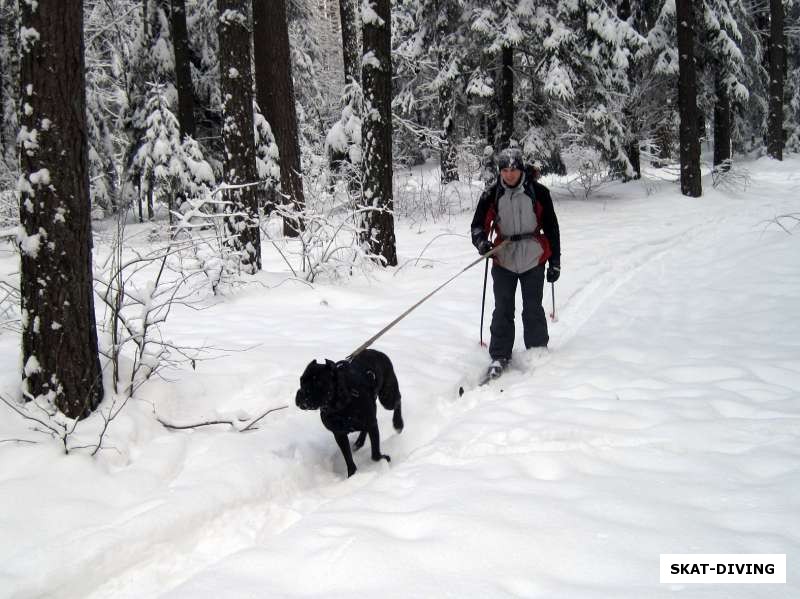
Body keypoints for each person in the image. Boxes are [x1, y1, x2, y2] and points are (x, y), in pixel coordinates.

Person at [470, 147, 561, 379]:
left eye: (513, 170)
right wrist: (482, 243)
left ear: (521, 170)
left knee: (532, 307)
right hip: (504, 258)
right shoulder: (491, 194)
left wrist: (555, 262)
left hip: (533, 256)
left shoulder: (539, 192)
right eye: (505, 170)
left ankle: (537, 350)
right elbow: (477, 226)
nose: (509, 175)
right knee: (503, 308)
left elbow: (552, 228)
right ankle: (499, 355)